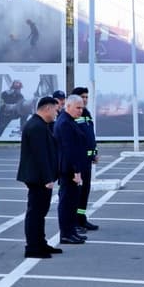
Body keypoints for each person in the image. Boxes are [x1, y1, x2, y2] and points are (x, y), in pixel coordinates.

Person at [17, 97, 63, 258]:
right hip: (38, 178)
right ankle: (33, 248)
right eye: (56, 110)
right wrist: (47, 178)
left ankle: (40, 243)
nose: (57, 113)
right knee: (35, 213)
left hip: (39, 177)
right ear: (47, 108)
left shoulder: (40, 124)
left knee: (40, 212)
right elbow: (40, 155)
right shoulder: (36, 126)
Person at [54, 95, 89, 244]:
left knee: (72, 202)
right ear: (68, 106)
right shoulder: (64, 123)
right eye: (78, 107)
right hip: (68, 170)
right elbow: (69, 149)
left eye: (82, 108)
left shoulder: (69, 120)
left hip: (71, 168)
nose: (80, 111)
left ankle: (71, 231)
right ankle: (66, 234)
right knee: (67, 202)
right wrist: (76, 171)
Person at [70, 86, 100, 231]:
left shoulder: (86, 113)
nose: (85, 99)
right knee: (77, 192)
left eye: (87, 97)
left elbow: (90, 136)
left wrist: (94, 152)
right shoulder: (73, 116)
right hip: (78, 160)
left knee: (85, 191)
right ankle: (74, 222)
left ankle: (81, 218)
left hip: (87, 160)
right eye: (83, 97)